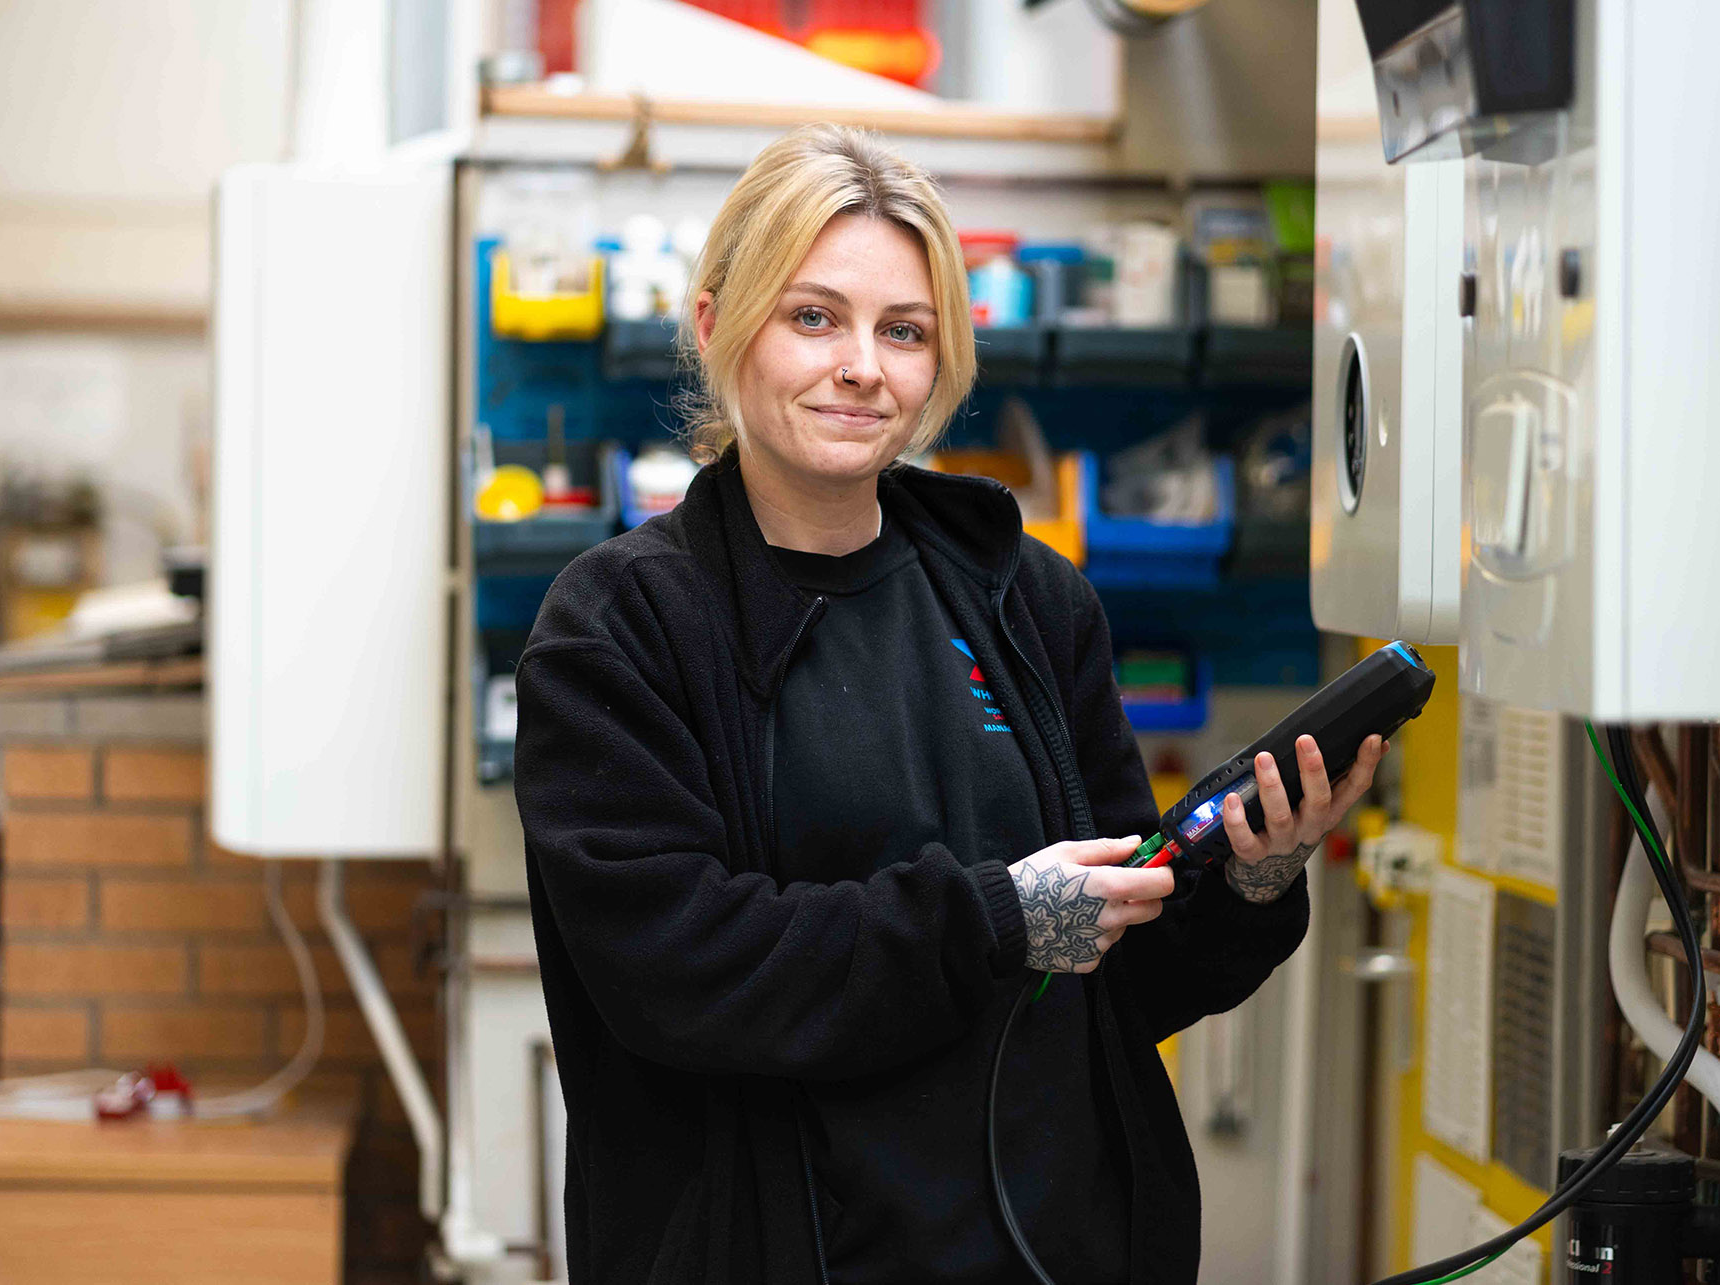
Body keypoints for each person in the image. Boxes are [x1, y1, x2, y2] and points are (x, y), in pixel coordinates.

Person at [515, 124, 1386, 1285]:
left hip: (1053, 1249)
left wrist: (1256, 875)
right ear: (720, 326)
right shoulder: (621, 625)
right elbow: (680, 970)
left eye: (904, 330)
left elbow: (1123, 971)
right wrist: (997, 920)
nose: (861, 365)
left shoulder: (1025, 600)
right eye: (812, 316)